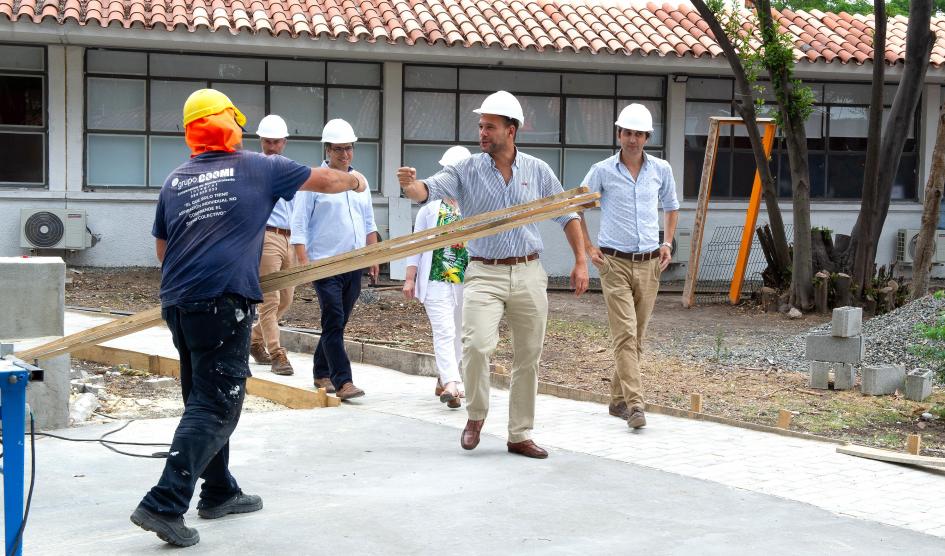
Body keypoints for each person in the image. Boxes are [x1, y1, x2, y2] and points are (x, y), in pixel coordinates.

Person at [131, 89, 366, 548]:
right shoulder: (260, 167)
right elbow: (329, 181)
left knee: (203, 397)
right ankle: (164, 502)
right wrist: (357, 182)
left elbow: (163, 250)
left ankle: (219, 492)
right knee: (217, 404)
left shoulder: (175, 180)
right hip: (223, 300)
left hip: (179, 302)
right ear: (232, 126)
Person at [397, 91, 589, 460]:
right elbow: (428, 190)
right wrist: (411, 184)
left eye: (490, 127)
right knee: (476, 346)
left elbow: (567, 213)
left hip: (529, 271)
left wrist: (581, 261)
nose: (482, 132)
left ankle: (519, 434)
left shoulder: (537, 170)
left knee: (528, 356)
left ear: (511, 130)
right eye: (480, 126)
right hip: (484, 272)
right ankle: (475, 416)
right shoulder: (466, 169)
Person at [579, 103, 679, 430]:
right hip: (614, 263)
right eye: (627, 133)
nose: (632, 139)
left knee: (637, 337)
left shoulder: (660, 169)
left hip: (650, 263)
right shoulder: (602, 170)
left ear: (647, 137)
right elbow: (576, 208)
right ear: (618, 134)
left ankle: (617, 400)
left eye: (638, 134)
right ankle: (635, 405)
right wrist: (588, 247)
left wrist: (667, 243)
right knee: (625, 333)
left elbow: (672, 207)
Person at [291, 118, 378, 400]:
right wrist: (303, 263)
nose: (344, 154)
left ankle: (320, 372)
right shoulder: (315, 180)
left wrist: (373, 255)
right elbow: (300, 224)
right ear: (327, 150)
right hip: (324, 264)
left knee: (337, 323)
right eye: (338, 149)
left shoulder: (360, 182)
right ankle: (344, 381)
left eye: (349, 148)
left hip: (353, 263)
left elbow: (369, 222)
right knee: (334, 318)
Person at [403, 146, 472, 409]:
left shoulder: (473, 205)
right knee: (444, 331)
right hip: (435, 280)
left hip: (465, 281)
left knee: (460, 333)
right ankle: (452, 383)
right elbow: (416, 247)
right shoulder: (429, 208)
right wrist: (410, 279)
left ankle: (445, 376)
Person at [249, 114, 297, 376]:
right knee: (270, 299)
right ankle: (277, 353)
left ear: (284, 142)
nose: (271, 147)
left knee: (286, 299)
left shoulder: (291, 169)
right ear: (261, 141)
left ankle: (254, 339)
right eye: (267, 141)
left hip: (290, 237)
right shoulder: (254, 168)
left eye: (276, 142)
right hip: (266, 235)